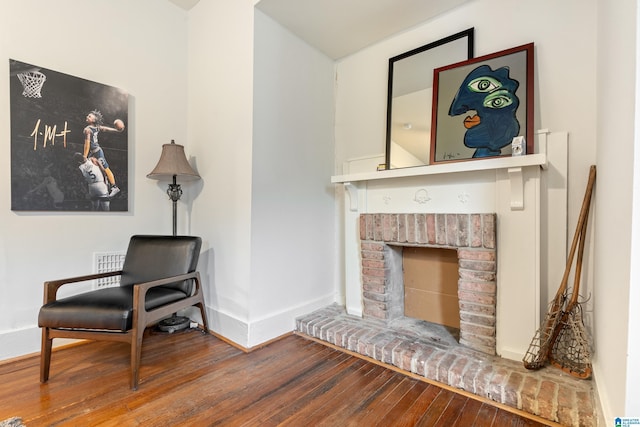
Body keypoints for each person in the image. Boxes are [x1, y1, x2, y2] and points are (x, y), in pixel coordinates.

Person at [83, 110, 123, 198]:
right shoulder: (96, 127)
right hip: (93, 153)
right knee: (89, 171)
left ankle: (114, 187)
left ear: (93, 120)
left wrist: (84, 156)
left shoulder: (87, 130)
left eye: (89, 116)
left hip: (97, 152)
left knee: (105, 168)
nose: (87, 117)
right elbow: (106, 129)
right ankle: (102, 186)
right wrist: (116, 130)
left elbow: (87, 145)